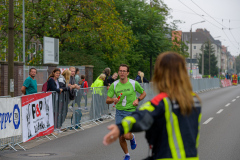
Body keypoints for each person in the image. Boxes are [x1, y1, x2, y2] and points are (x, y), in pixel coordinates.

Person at [103, 52, 202, 160]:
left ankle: (131, 140)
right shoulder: (195, 100)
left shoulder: (162, 101)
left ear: (160, 74)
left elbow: (142, 116)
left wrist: (120, 128)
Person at [106, 64, 146, 160]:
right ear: (118, 72)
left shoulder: (133, 83)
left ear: (127, 73)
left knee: (126, 136)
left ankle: (132, 138)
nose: (122, 73)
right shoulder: (114, 85)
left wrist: (138, 100)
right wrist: (113, 99)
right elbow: (107, 100)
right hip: (119, 112)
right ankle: (127, 155)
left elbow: (143, 93)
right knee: (121, 136)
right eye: (120, 71)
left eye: (124, 71)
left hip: (131, 112)